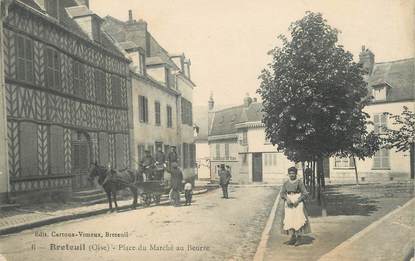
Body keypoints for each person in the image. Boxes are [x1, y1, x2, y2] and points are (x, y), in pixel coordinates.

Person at [280, 166, 311, 246]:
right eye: (290, 173)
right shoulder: (286, 183)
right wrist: (287, 199)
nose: (291, 175)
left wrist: (298, 200)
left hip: (297, 202)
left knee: (297, 219)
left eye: (293, 173)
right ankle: (293, 237)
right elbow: (282, 193)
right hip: (289, 203)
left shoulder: (299, 182)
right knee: (290, 219)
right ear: (288, 174)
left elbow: (305, 193)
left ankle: (299, 238)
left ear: (296, 174)